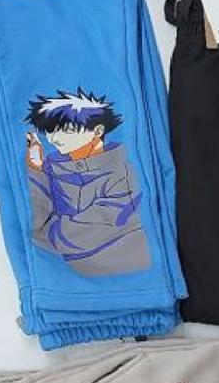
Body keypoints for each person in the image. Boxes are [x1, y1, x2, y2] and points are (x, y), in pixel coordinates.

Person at [24, 89, 151, 276]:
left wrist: (46, 233)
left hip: (130, 266)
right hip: (67, 275)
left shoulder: (126, 166)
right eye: (50, 130)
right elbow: (35, 223)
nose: (55, 139)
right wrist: (36, 169)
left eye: (67, 130)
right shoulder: (50, 168)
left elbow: (101, 225)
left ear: (98, 130)